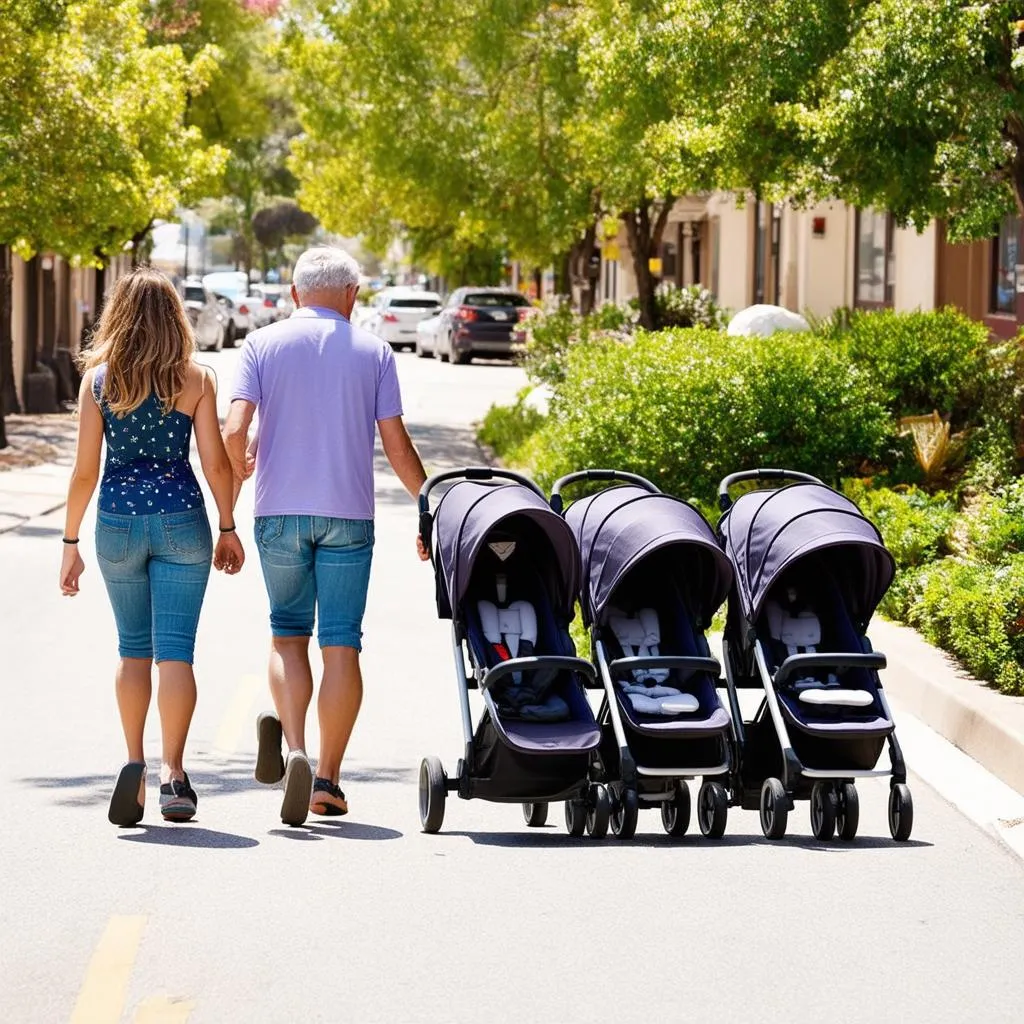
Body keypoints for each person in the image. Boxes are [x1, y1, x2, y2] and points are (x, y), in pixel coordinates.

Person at [223, 246, 429, 827]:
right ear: (353, 296)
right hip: (349, 518)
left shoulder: (261, 345)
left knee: (288, 635)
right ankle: (329, 782)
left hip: (279, 515)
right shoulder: (375, 351)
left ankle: (295, 750)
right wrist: (429, 507)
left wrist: (231, 502)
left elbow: (235, 427)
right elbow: (396, 444)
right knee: (342, 644)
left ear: (293, 295)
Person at [60, 267, 245, 826]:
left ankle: (134, 764)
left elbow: (84, 471)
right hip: (182, 522)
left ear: (118, 315)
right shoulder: (196, 379)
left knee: (132, 650)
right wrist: (229, 523)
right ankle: (175, 776)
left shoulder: (99, 381)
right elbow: (215, 462)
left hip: (116, 523)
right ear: (176, 318)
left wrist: (70, 541)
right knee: (176, 653)